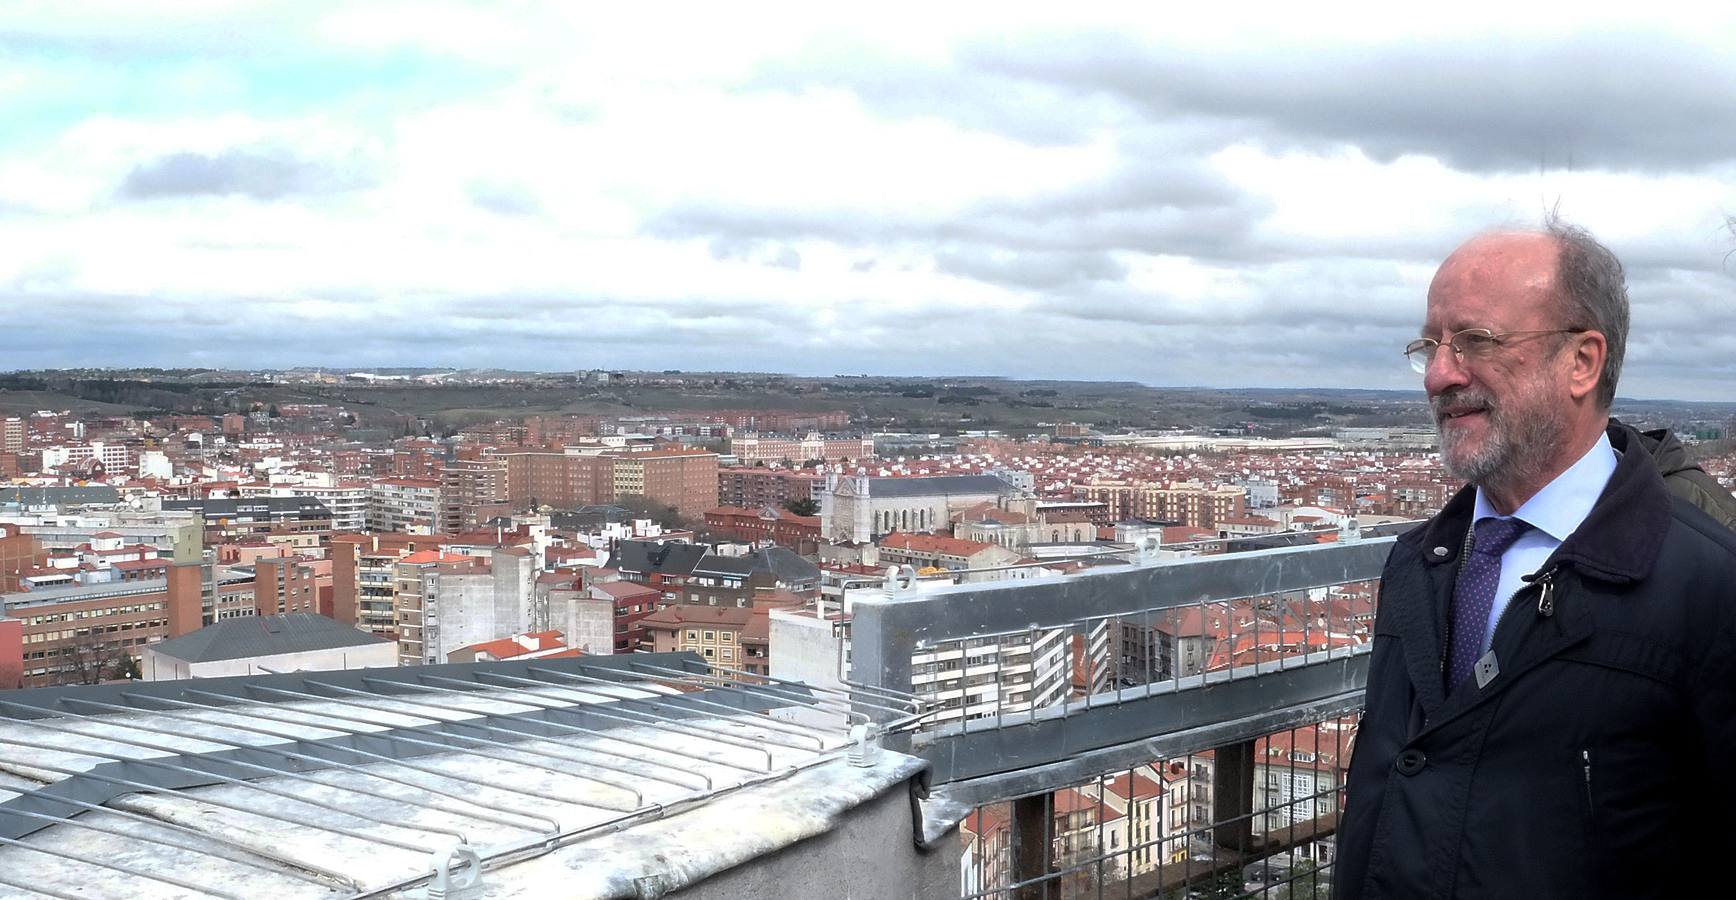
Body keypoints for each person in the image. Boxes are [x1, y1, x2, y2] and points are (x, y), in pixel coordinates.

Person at [1333, 219, 1736, 899]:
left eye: (1476, 341)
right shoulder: (1417, 562)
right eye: (1429, 345)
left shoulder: (1709, 588)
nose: (1439, 374)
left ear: (1582, 361)